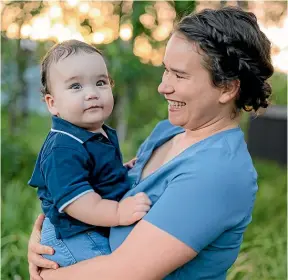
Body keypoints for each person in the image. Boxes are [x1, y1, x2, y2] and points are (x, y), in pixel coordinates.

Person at [28, 6, 274, 280]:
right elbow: (95, 185)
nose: (163, 86)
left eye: (179, 75)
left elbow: (127, 272)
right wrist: (49, 245)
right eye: (165, 70)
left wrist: (45, 276)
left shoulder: (217, 172)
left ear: (228, 88)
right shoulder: (170, 130)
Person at [28, 40, 151, 267]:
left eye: (101, 82)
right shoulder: (63, 147)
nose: (92, 93)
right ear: (52, 103)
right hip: (74, 236)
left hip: (90, 225)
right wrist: (118, 213)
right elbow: (78, 202)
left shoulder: (96, 132)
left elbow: (93, 175)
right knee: (111, 269)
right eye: (76, 86)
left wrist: (121, 171)